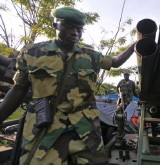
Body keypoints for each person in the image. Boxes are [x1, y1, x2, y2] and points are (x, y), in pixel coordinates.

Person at [0, 6, 135, 165]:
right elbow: (19, 88)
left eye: (79, 28)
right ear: (55, 25)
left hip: (84, 126)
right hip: (46, 125)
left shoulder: (91, 55)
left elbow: (116, 62)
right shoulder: (32, 53)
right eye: (69, 26)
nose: (75, 32)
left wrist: (135, 44)